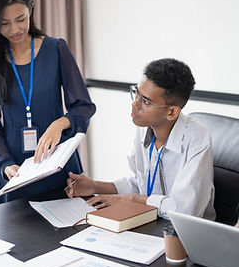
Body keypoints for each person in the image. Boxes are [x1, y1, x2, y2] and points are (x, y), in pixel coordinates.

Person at [0, 0, 96, 205]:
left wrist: (60, 124)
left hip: (58, 164)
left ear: (31, 9)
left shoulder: (56, 49)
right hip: (17, 171)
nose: (14, 29)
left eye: (20, 19)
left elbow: (84, 107)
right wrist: (5, 164)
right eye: (4, 23)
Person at [66, 58, 215, 220]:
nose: (134, 104)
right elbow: (140, 184)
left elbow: (186, 211)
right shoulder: (144, 128)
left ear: (172, 112)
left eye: (145, 101)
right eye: (136, 93)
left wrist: (132, 200)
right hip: (149, 219)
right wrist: (95, 186)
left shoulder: (197, 139)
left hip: (186, 234)